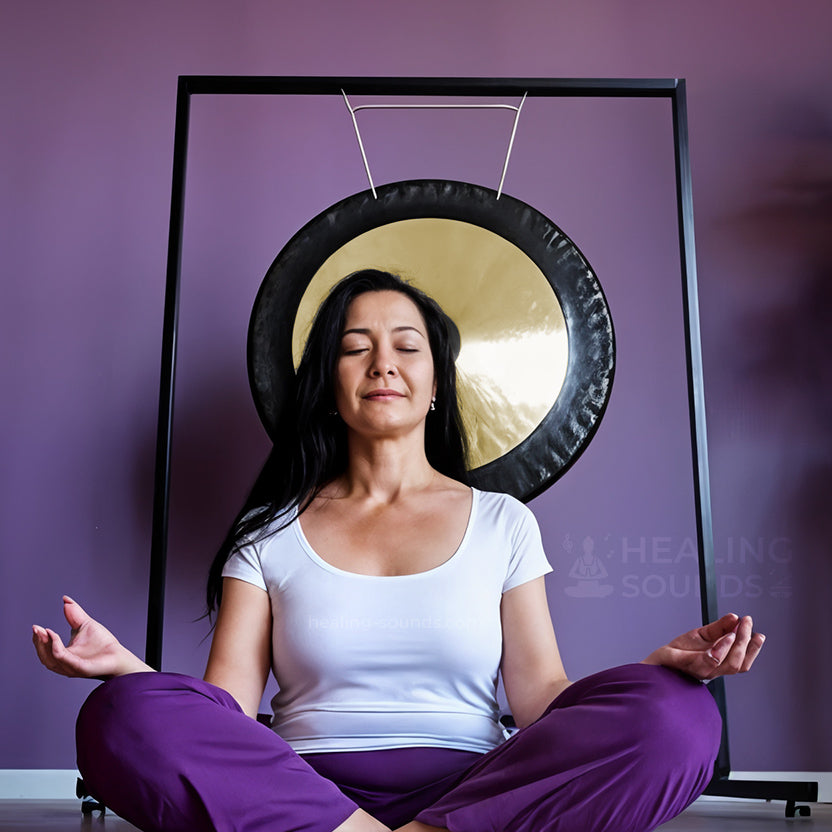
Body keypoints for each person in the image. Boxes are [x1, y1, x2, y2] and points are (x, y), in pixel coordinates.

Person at [33, 270, 765, 832]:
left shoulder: (502, 522)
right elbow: (224, 712)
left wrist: (645, 678)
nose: (382, 363)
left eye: (406, 347)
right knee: (116, 717)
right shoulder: (268, 532)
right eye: (356, 349)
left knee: (684, 717)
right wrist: (130, 674)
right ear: (329, 389)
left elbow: (541, 702)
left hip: (478, 795)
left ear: (437, 384)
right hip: (305, 800)